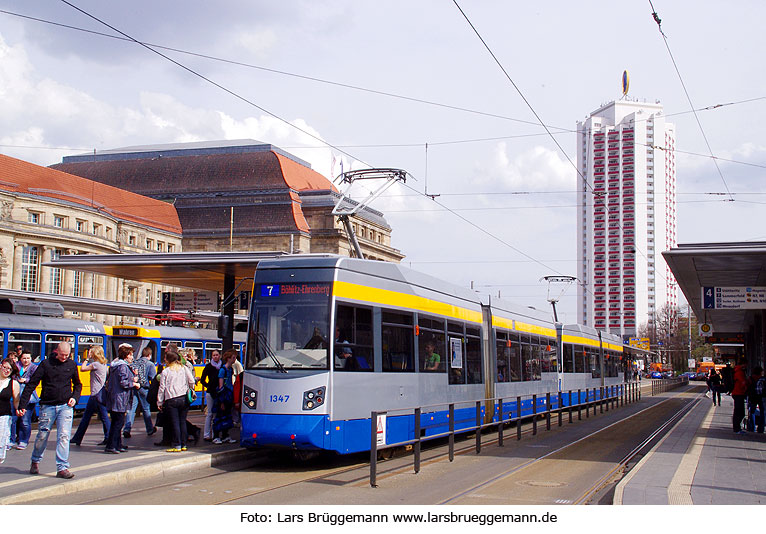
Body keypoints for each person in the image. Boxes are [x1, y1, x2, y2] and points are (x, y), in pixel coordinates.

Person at [17, 341, 81, 479]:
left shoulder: (72, 365)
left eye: (67, 355)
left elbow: (78, 385)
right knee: (42, 435)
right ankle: (35, 460)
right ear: (56, 351)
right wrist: (22, 405)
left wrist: (75, 398)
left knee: (64, 436)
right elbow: (32, 384)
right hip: (48, 405)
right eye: (62, 355)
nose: (64, 358)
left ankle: (62, 467)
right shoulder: (46, 364)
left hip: (66, 406)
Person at [71, 345, 110, 447]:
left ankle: (109, 437)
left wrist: (86, 358)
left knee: (95, 417)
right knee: (101, 417)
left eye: (91, 352)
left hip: (95, 394)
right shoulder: (104, 364)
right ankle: (108, 437)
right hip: (100, 394)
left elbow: (82, 369)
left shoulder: (95, 364)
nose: (90, 354)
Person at [104, 344, 140, 454]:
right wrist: (134, 383)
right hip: (120, 398)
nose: (132, 357)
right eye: (131, 355)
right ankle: (111, 445)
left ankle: (117, 444)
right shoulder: (123, 366)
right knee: (118, 423)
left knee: (117, 422)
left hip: (115, 397)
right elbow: (123, 383)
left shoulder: (115, 365)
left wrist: (132, 377)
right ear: (126, 355)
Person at [157, 350, 195, 452]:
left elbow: (162, 388)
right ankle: (184, 444)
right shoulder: (184, 368)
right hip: (184, 398)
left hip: (171, 399)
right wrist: (190, 388)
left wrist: (159, 402)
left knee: (175, 423)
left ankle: (176, 445)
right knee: (182, 421)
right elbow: (192, 381)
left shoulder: (166, 371)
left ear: (169, 360)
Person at [123, 346, 157, 439]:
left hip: (134, 387)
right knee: (146, 409)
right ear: (149, 355)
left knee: (131, 409)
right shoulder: (150, 364)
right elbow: (152, 378)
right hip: (144, 388)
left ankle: (127, 429)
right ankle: (149, 429)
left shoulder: (135, 362)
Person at [14, 351, 38, 450]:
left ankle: (23, 441)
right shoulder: (16, 366)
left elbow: (35, 380)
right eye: (24, 358)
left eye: (28, 358)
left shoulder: (34, 367)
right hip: (16, 395)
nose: (26, 360)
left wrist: (26, 380)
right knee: (13, 419)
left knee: (25, 420)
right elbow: (12, 376)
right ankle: (13, 439)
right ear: (20, 358)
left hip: (29, 397)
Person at [212, 349, 236, 444]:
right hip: (224, 396)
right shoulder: (223, 370)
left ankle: (225, 435)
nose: (235, 359)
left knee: (227, 415)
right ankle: (216, 436)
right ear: (228, 359)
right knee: (220, 416)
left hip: (229, 395)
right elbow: (221, 386)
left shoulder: (230, 369)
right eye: (233, 358)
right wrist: (221, 401)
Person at [0, 358, 21, 464]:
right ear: (0, 366)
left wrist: (18, 410)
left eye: (10, 369)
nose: (7, 371)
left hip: (3, 416)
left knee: (1, 442)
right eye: (5, 367)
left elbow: (16, 401)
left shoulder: (13, 383)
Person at [200, 349, 222, 441]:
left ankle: (215, 434)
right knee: (209, 413)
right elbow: (202, 380)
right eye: (214, 355)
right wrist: (208, 386)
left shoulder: (222, 366)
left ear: (219, 356)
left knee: (217, 414)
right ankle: (207, 434)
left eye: (217, 355)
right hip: (210, 392)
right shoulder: (208, 367)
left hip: (219, 392)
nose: (215, 357)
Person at [731, 357, 749, 434]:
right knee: (739, 412)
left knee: (738, 411)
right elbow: (742, 383)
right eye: (746, 364)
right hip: (739, 393)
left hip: (737, 393)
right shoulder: (739, 372)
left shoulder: (737, 370)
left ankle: (737, 428)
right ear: (743, 364)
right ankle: (737, 428)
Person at [746, 366, 763, 433]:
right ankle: (760, 428)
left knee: (752, 412)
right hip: (760, 396)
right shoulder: (761, 378)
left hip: (752, 396)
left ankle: (752, 427)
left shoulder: (750, 378)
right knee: (762, 412)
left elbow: (748, 386)